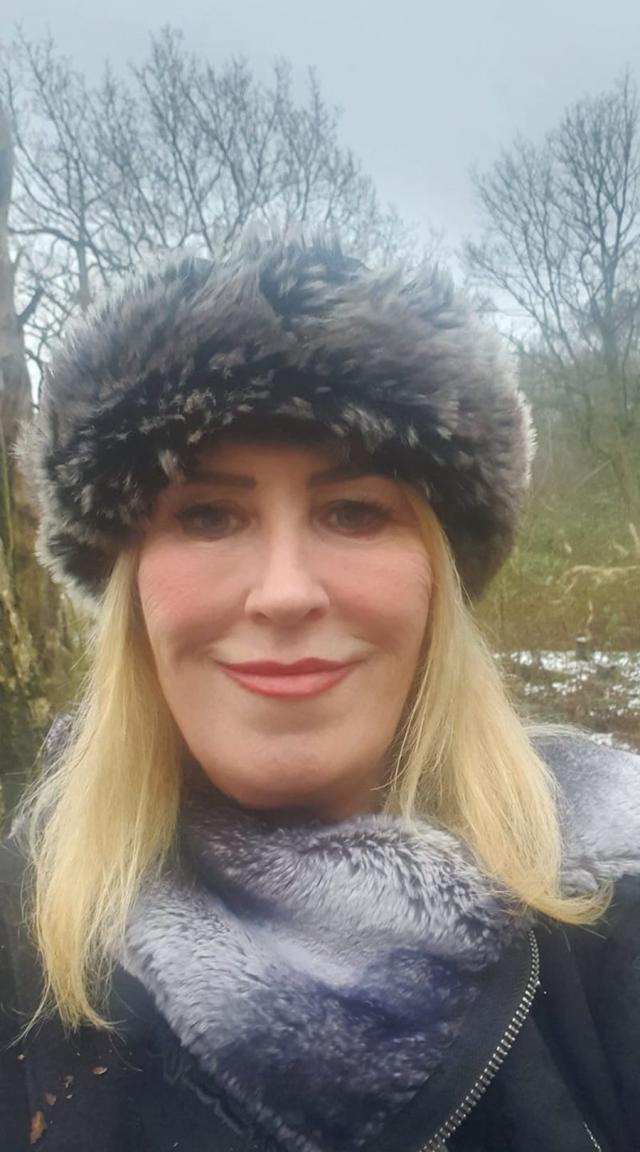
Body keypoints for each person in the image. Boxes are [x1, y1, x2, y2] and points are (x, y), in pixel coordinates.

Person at [1, 233, 639, 1152]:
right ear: (130, 589)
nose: (284, 592)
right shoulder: (23, 928)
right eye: (209, 515)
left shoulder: (613, 904)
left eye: (353, 511)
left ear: (439, 579)